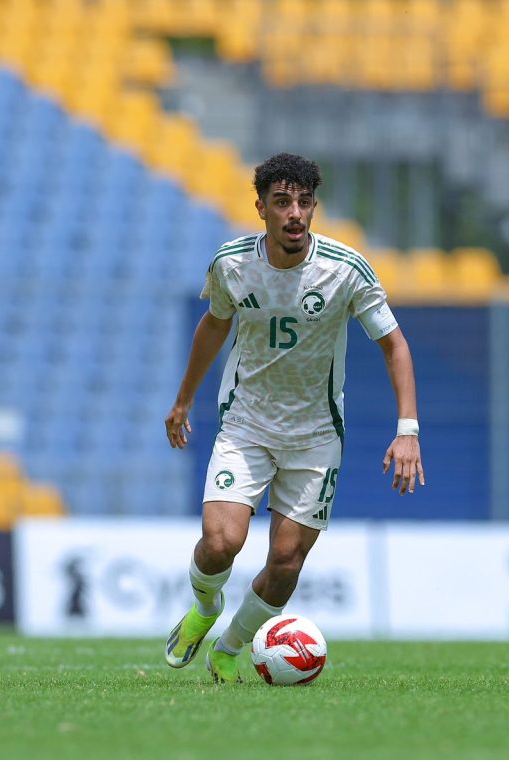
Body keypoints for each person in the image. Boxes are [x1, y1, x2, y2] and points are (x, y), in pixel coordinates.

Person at [163, 153, 424, 683]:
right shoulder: (232, 264)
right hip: (246, 424)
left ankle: (229, 650)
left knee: (285, 563)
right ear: (261, 207)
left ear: (314, 207)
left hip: (315, 436)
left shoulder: (345, 270)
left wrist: (408, 431)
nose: (295, 213)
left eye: (304, 202)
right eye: (282, 202)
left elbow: (394, 344)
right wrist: (184, 398)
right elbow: (213, 325)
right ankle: (205, 609)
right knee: (221, 543)